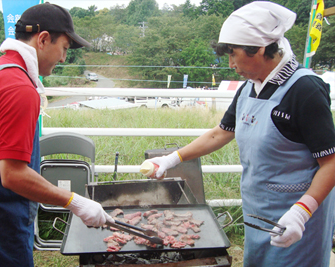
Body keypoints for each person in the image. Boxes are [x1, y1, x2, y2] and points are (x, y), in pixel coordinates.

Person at [141, 2, 335, 266]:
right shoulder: (249, 88)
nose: (231, 64)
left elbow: (331, 162)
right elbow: (220, 133)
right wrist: (172, 159)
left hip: (297, 216)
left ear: (262, 49)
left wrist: (302, 212)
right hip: (258, 211)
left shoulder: (305, 89)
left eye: (234, 54)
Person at [0, 3, 113, 266]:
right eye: (64, 48)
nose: (62, 58)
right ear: (43, 39)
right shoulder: (18, 88)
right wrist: (74, 202)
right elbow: (13, 174)